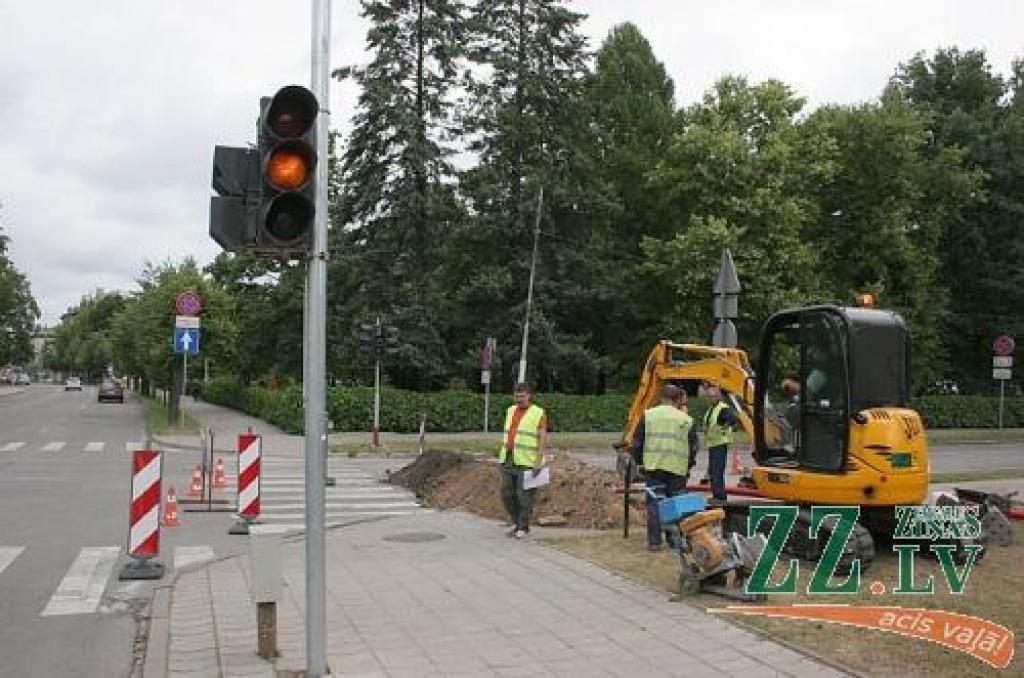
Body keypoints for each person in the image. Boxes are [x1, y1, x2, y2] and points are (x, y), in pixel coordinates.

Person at [631, 385, 698, 551]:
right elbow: (693, 447)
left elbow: (637, 442)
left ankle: (655, 542)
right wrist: (688, 465)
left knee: (654, 504)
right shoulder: (686, 420)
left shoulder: (648, 415)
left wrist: (640, 462)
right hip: (677, 469)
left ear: (661, 398)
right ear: (677, 399)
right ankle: (676, 541)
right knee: (676, 504)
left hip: (654, 467)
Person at [498, 382, 548, 538]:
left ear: (529, 396)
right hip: (508, 458)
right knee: (506, 493)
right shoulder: (510, 410)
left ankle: (522, 527)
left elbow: (542, 438)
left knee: (525, 496)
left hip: (528, 461)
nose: (519, 399)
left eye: (522, 396)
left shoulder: (538, 413)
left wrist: (538, 461)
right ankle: (516, 522)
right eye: (517, 396)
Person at [701, 384, 737, 502]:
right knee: (713, 471)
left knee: (717, 471)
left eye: (712, 396)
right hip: (713, 444)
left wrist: (725, 427)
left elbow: (732, 418)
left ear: (718, 397)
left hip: (720, 443)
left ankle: (720, 497)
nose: (709, 399)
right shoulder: (712, 409)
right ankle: (717, 495)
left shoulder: (722, 408)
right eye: (708, 397)